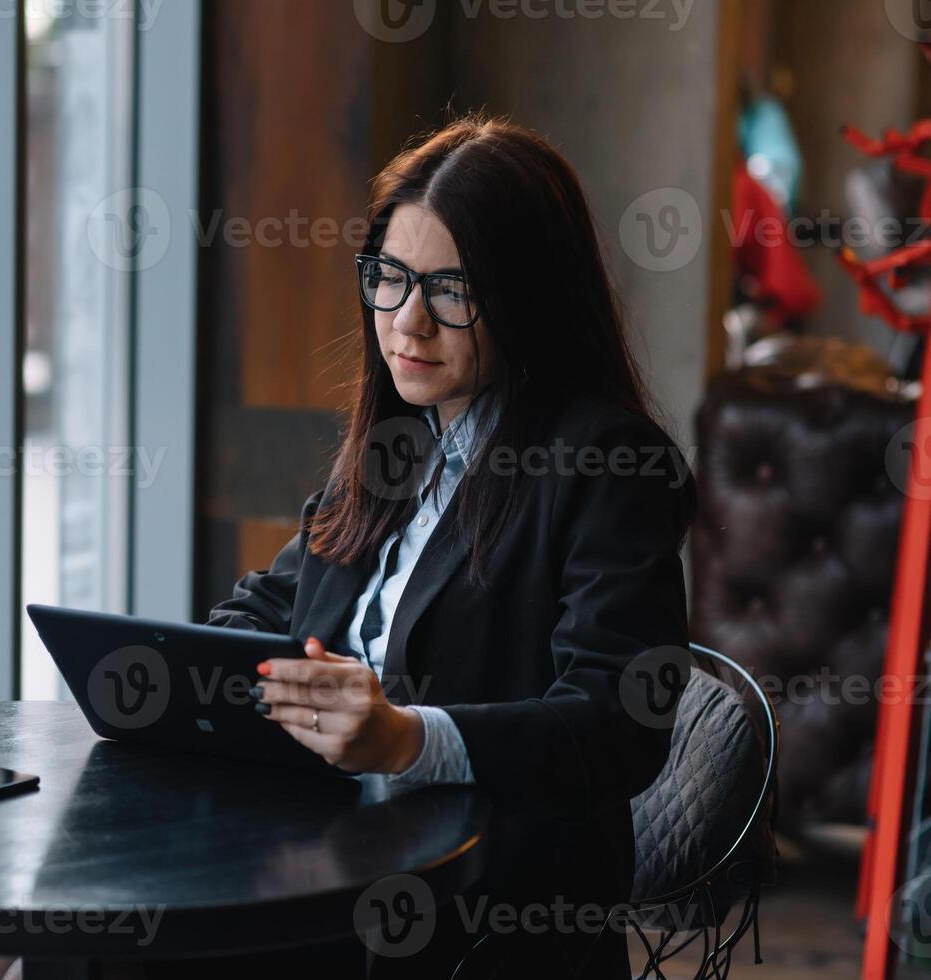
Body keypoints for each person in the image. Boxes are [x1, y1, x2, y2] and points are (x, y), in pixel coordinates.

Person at [202, 116, 696, 977]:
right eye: (389, 279)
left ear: (527, 298)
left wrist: (407, 738)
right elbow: (283, 600)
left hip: (473, 916)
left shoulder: (610, 464)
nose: (408, 321)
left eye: (451, 290)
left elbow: (622, 722)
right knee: (32, 949)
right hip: (328, 863)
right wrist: (181, 666)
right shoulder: (403, 440)